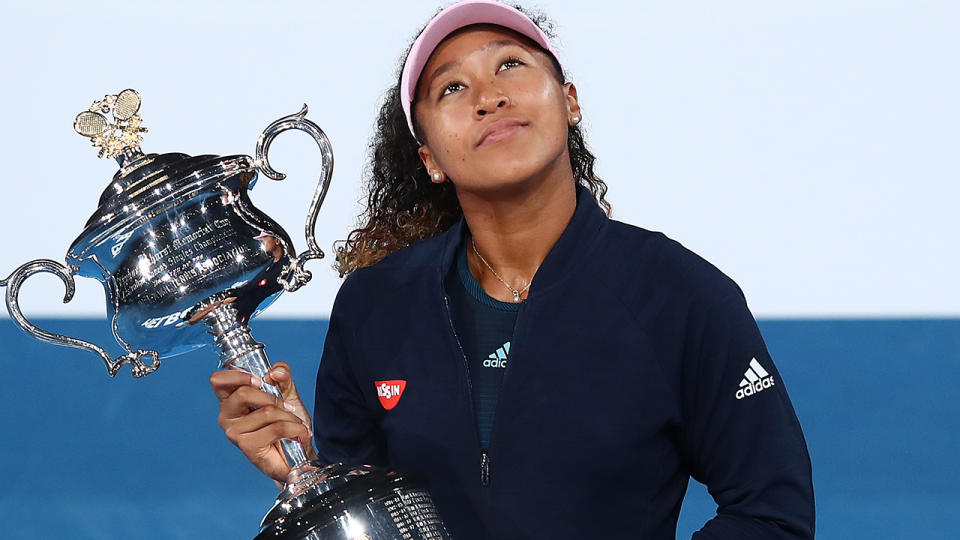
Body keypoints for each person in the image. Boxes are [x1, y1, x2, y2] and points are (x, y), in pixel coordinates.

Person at [209, 1, 816, 538]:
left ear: (570, 101)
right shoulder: (375, 306)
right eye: (451, 88)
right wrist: (306, 470)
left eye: (510, 66)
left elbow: (772, 513)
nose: (488, 96)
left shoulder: (680, 295)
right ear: (430, 158)